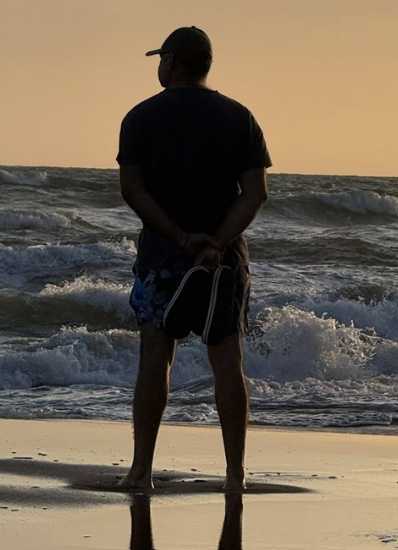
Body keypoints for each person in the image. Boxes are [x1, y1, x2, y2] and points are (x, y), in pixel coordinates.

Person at [116, 26, 271, 493]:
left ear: (173, 63)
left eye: (161, 59)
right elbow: (254, 194)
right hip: (223, 260)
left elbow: (133, 191)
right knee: (227, 361)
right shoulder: (239, 117)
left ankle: (141, 470)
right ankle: (234, 475)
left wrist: (180, 237)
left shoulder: (140, 118)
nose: (158, 67)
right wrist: (216, 242)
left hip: (163, 255)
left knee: (155, 358)